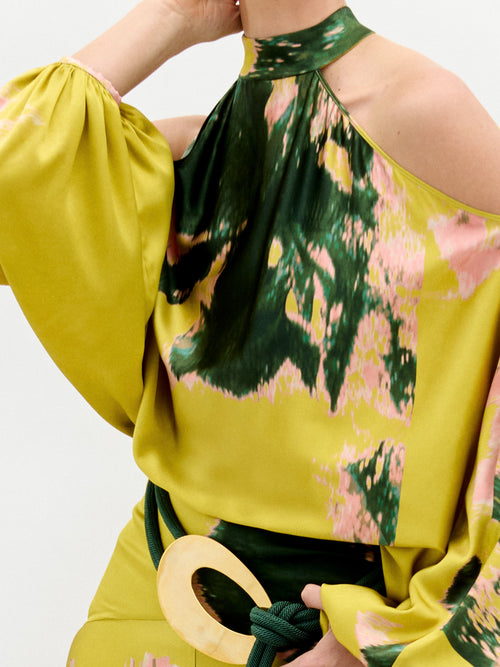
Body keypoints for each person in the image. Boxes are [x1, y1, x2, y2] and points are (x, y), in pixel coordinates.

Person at [1, 0, 500, 665]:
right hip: (149, 598)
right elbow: (17, 169)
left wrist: (380, 641)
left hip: (341, 626)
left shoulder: (420, 108)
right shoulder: (195, 148)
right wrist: (172, 18)